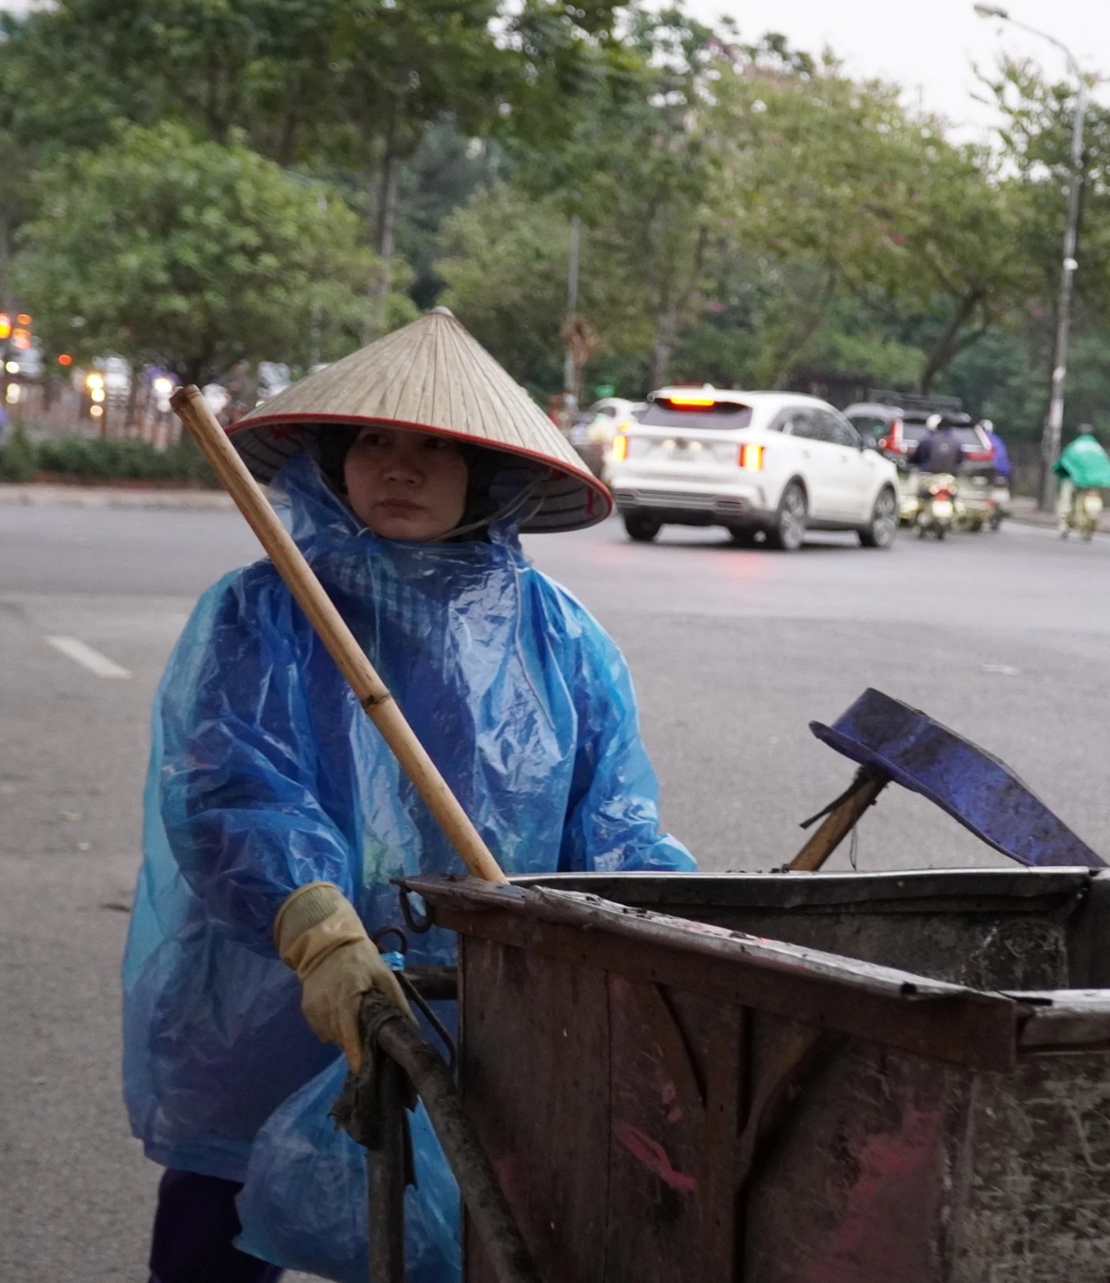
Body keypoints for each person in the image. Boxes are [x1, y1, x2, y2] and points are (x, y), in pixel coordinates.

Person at [123, 309, 696, 1283]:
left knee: (469, 1222)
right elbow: (230, 787)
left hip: (488, 996)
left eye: (435, 446)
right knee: (215, 1220)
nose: (401, 465)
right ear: (333, 457)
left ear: (488, 474)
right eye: (377, 441)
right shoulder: (265, 610)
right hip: (277, 982)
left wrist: (675, 930)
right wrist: (317, 932)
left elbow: (614, 819)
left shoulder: (560, 637)